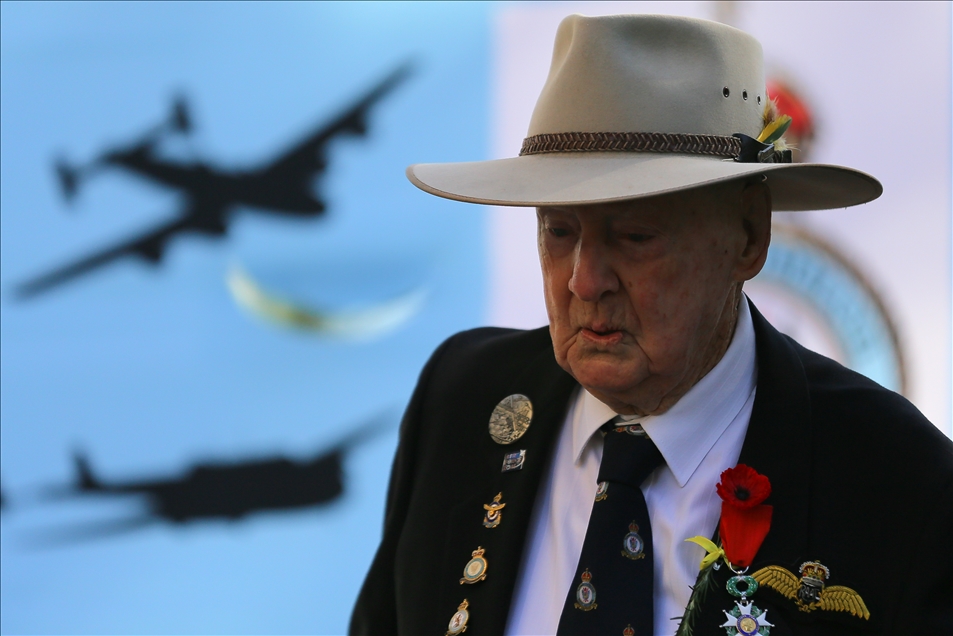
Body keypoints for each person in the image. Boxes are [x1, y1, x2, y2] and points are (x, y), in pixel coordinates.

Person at [350, 14, 952, 636]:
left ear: (748, 235)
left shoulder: (899, 488)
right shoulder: (464, 401)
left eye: (634, 235)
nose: (584, 280)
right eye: (559, 230)